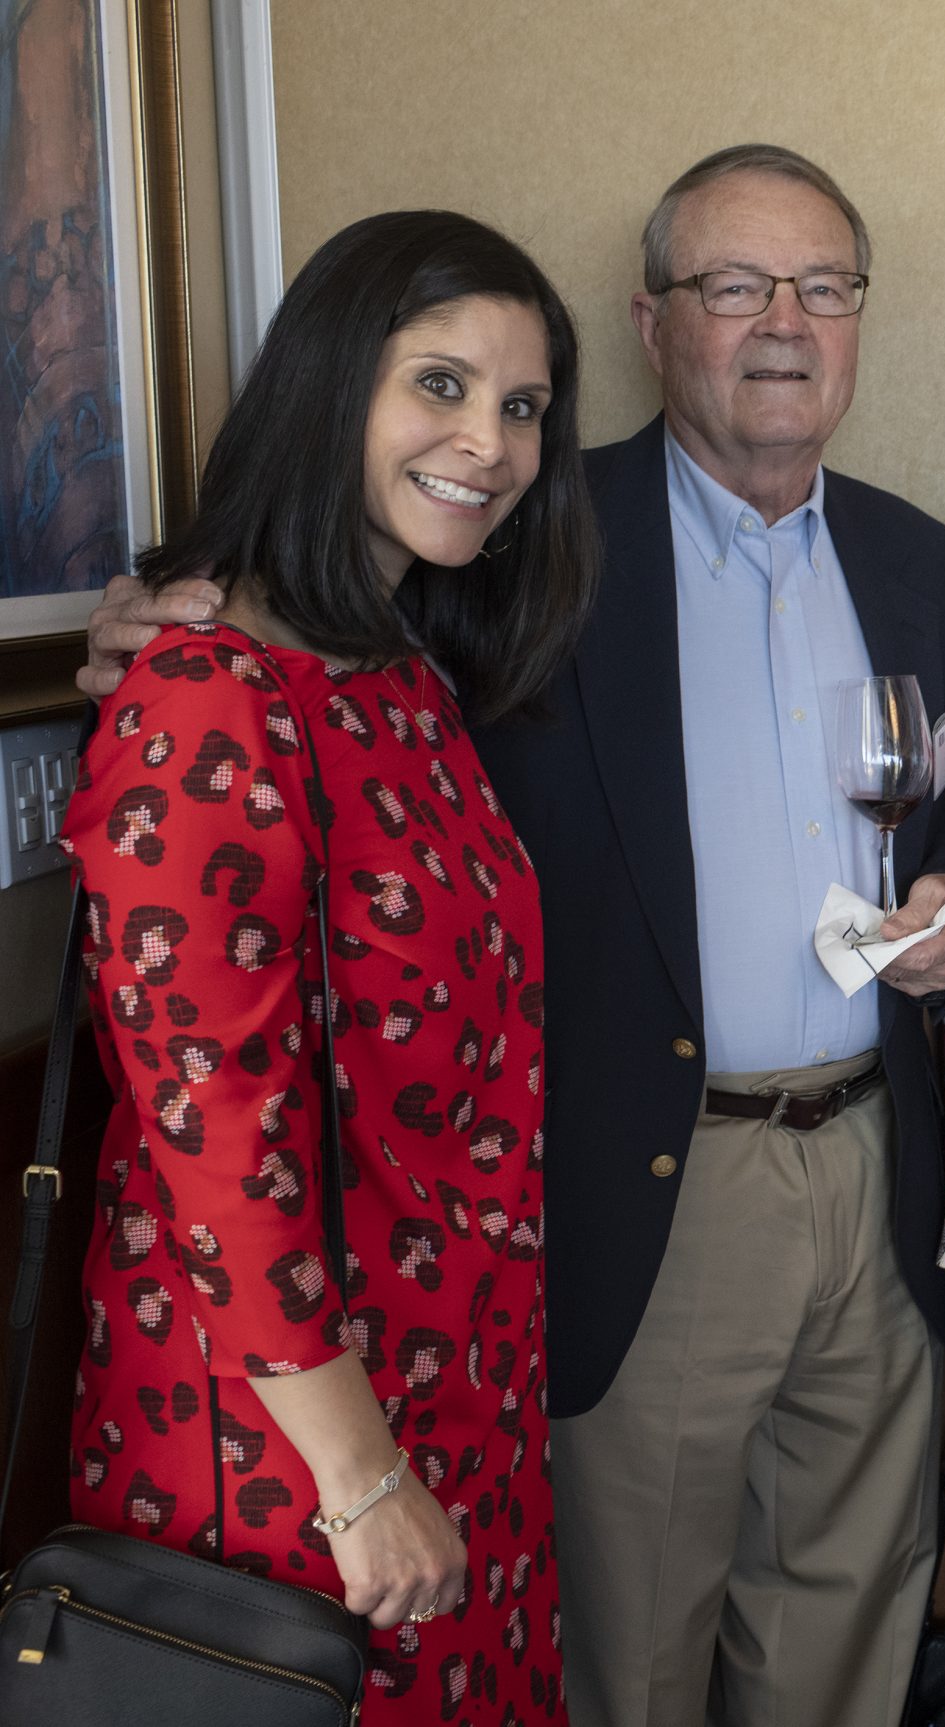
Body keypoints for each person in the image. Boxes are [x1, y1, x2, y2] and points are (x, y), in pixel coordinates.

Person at [81, 145, 945, 1727]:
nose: (785, 322)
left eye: (825, 287)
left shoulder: (920, 558)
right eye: (736, 285)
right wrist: (149, 613)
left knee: (844, 1630)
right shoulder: (524, 539)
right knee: (622, 1661)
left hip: (848, 1174)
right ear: (654, 323)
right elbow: (213, 1086)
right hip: (618, 1200)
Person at [58, 209, 600, 1722]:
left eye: (523, 406)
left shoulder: (401, 677)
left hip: (460, 1378)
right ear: (328, 386)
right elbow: (214, 1139)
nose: (490, 443)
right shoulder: (204, 697)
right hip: (286, 1439)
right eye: (440, 384)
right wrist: (360, 1479)